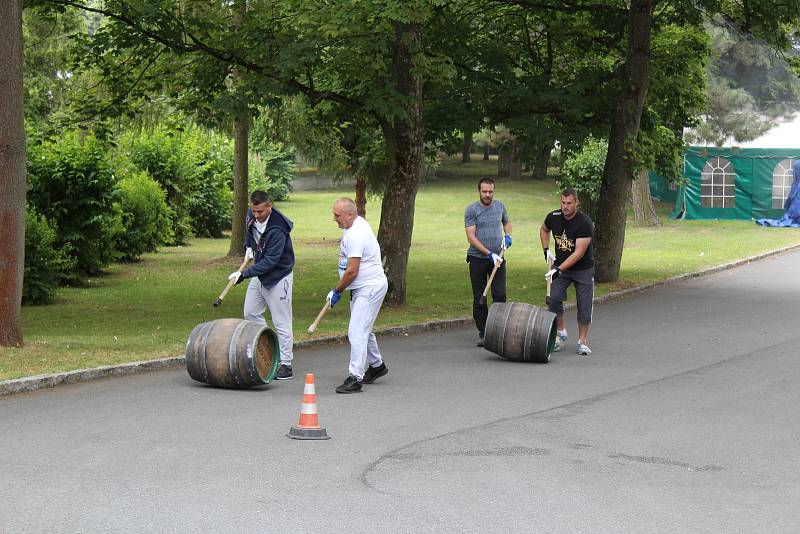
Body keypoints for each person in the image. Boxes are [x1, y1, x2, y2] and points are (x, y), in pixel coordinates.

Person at [228, 190, 295, 379]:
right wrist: (248, 247)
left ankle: (287, 364)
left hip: (278, 276)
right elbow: (249, 231)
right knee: (250, 312)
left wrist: (243, 274)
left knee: (281, 321)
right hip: (260, 273)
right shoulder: (251, 215)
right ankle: (269, 347)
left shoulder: (278, 228)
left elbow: (271, 261)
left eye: (260, 212)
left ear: (269, 206)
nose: (256, 215)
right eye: (254, 211)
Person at [326, 197, 389, 394]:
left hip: (369, 288)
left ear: (350, 215)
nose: (334, 219)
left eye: (337, 215)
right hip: (360, 288)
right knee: (364, 328)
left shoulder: (356, 234)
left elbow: (352, 271)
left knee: (356, 331)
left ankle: (355, 377)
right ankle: (377, 366)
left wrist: (337, 291)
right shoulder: (352, 226)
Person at [539, 187, 595, 355]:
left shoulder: (585, 223)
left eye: (569, 203)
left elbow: (578, 253)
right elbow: (543, 229)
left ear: (576, 203)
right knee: (553, 298)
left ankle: (582, 341)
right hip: (561, 266)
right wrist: (546, 249)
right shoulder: (554, 217)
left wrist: (558, 269)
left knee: (584, 306)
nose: (565, 206)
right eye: (563, 203)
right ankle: (561, 333)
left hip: (582, 269)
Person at [464, 177, 512, 346]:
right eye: (484, 191)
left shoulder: (499, 206)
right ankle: (484, 333)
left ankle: (497, 331)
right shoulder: (472, 210)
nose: (487, 194)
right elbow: (471, 237)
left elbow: (506, 222)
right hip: (478, 259)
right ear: (479, 191)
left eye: (490, 191)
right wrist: (488, 253)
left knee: (500, 295)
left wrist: (508, 236)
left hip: (498, 259)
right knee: (480, 296)